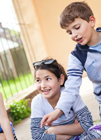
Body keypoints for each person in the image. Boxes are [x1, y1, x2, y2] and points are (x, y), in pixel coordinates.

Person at [41, 1, 101, 129]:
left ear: (91, 21)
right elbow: (71, 87)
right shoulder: (77, 56)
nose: (73, 35)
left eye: (77, 27)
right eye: (69, 32)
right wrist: (58, 111)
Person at [30, 58, 101, 140]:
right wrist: (74, 130)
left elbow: (87, 124)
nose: (43, 85)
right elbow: (37, 137)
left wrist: (54, 130)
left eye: (48, 79)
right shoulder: (37, 102)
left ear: (61, 79)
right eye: (38, 80)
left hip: (81, 137)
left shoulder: (70, 94)